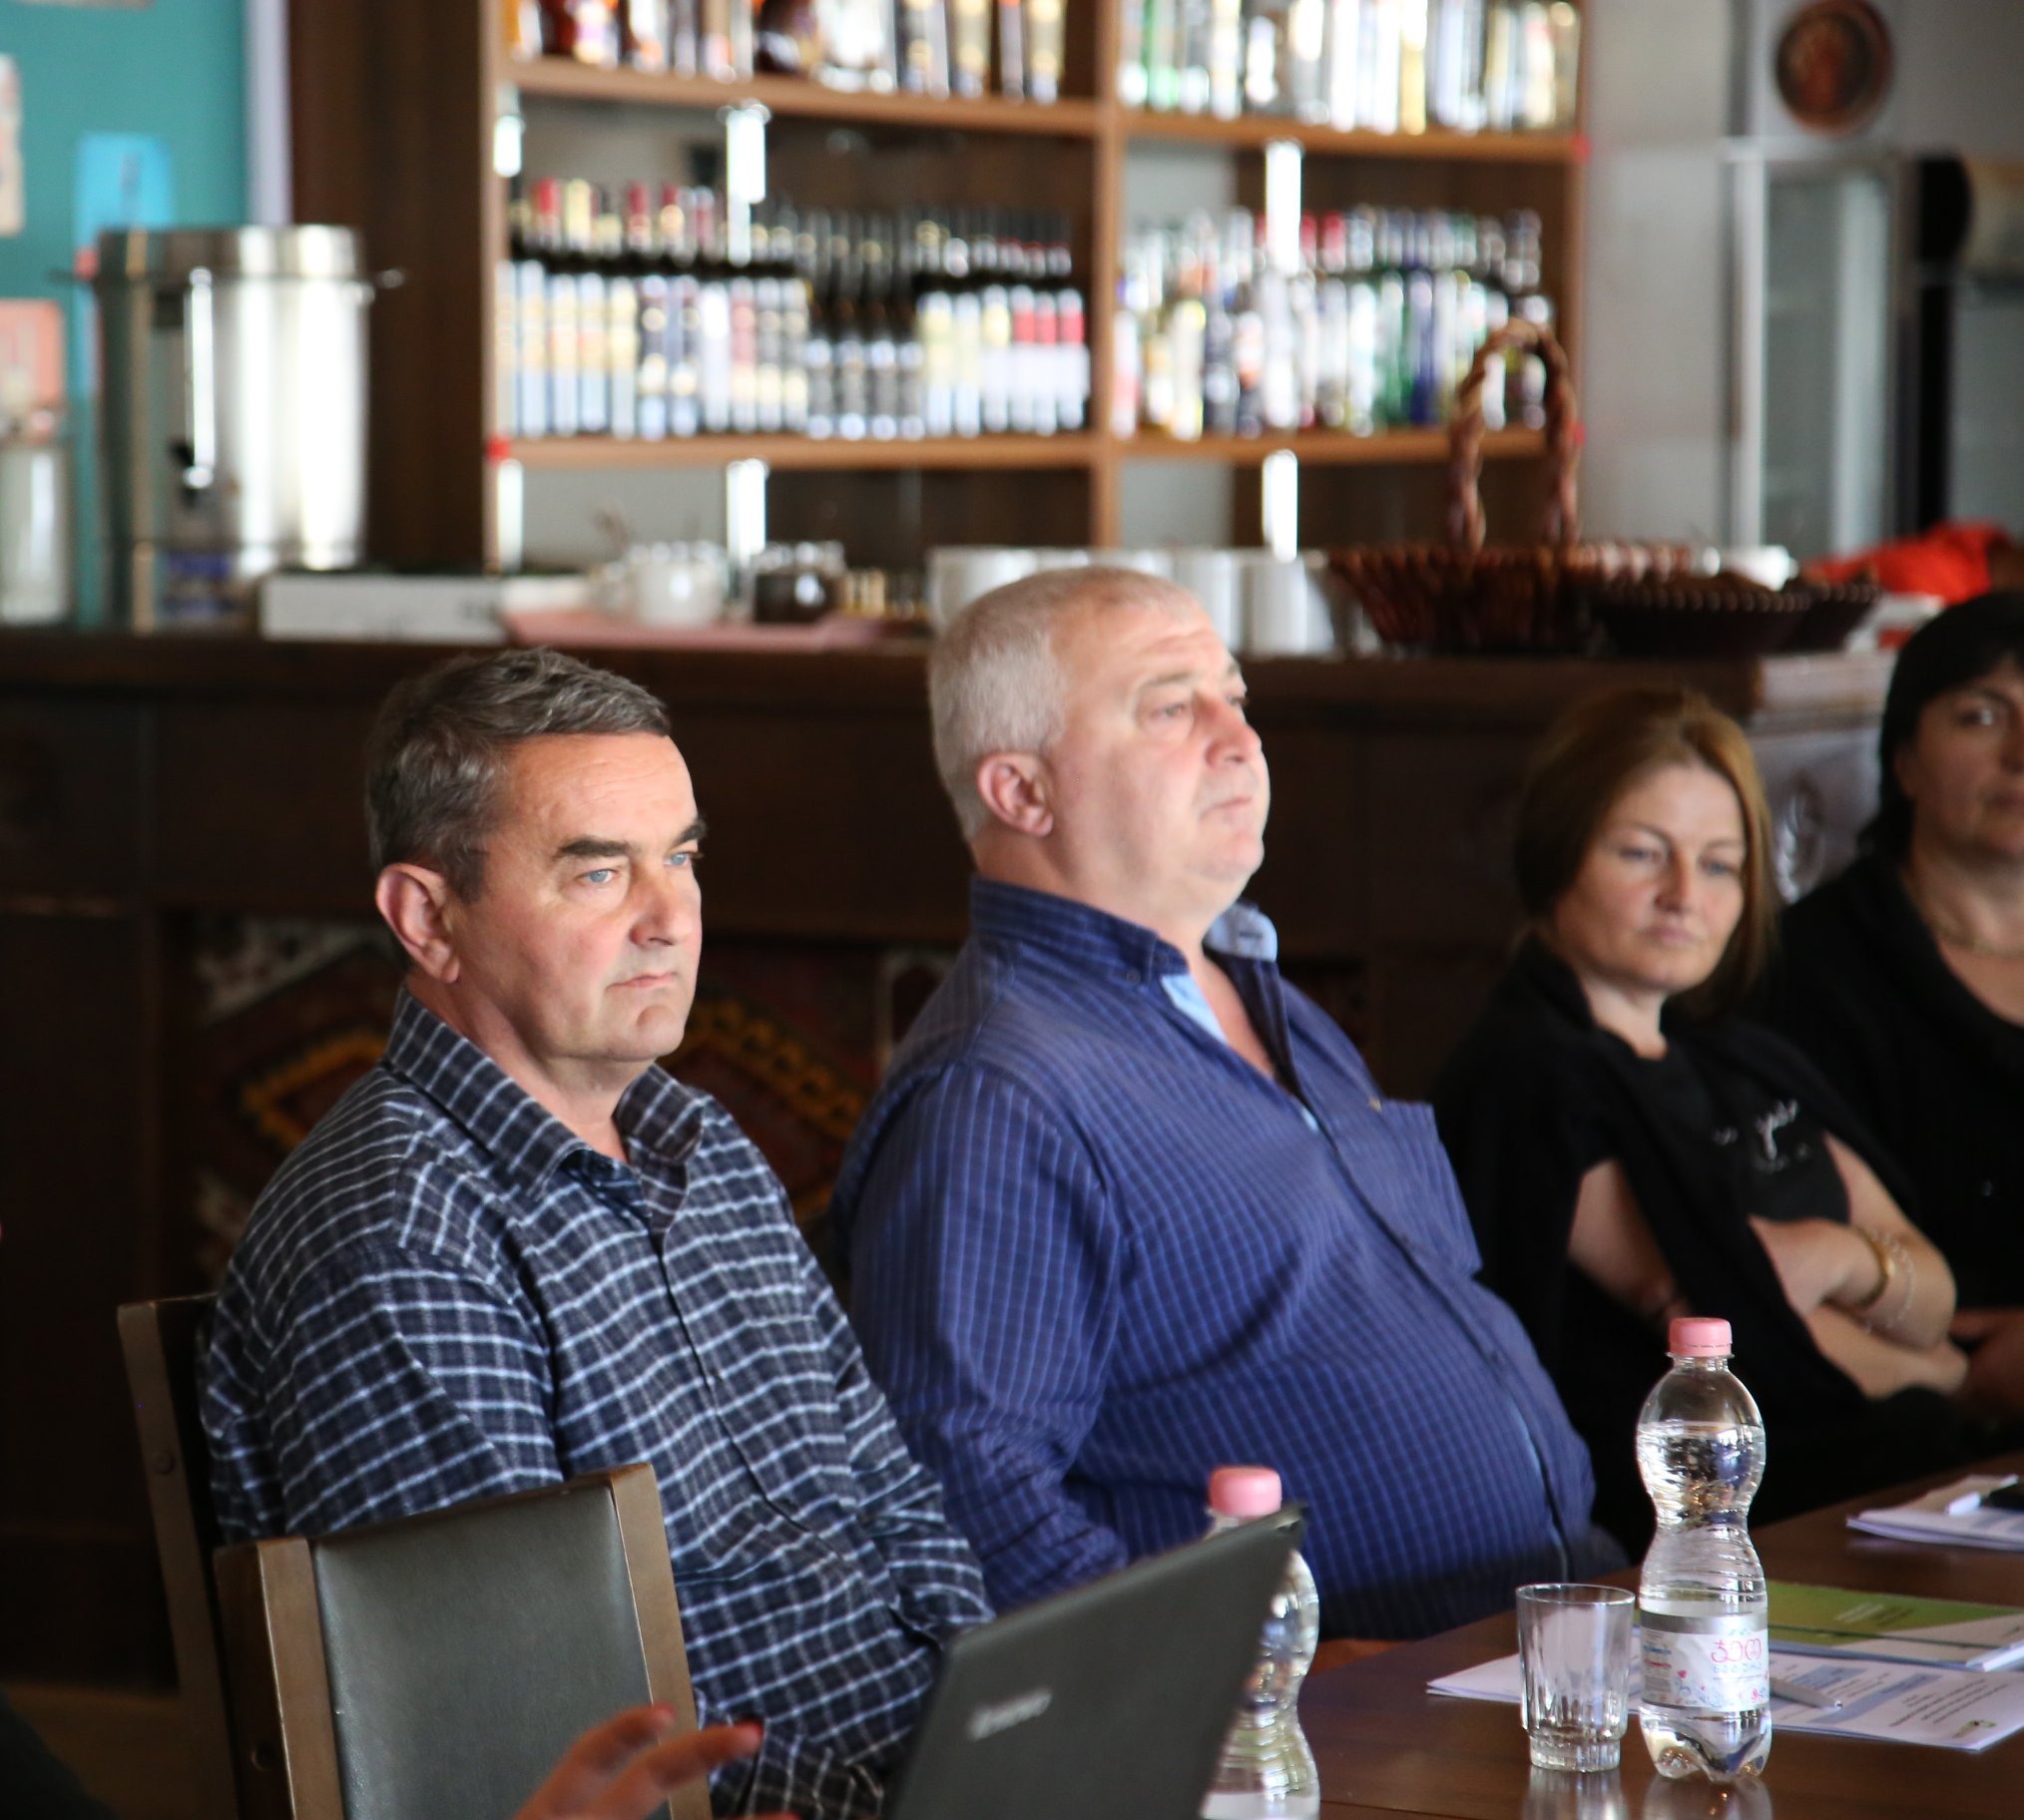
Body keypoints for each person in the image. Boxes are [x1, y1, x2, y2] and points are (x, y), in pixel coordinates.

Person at [201, 649, 991, 1820]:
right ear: (428, 917)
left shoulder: (702, 1145)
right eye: (599, 872)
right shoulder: (402, 1242)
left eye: (682, 859)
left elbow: (896, 1503)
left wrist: (999, 1731)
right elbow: (533, 1728)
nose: (671, 920)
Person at [828, 566, 1620, 1642]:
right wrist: (1243, 1680)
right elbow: (967, 1500)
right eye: (1170, 708)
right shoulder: (999, 1091)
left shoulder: (1264, 993)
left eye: (1234, 697)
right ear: (1022, 793)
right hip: (1343, 1702)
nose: (1240, 739)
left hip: (1551, 1623)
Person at [1434, 686, 1971, 1549]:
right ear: (1557, 853)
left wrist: (1838, 1257)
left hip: (1864, 1468)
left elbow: (1937, 1296)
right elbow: (1731, 1340)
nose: (1684, 895)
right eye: (1642, 854)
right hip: (1711, 1512)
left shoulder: (1740, 1054)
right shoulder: (1529, 1074)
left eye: (1719, 865)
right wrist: (1945, 1372)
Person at [1770, 593, 2024, 1419]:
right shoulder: (1813, 967)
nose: (2021, 754)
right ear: (1904, 759)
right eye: (1982, 717)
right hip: (1913, 1407)